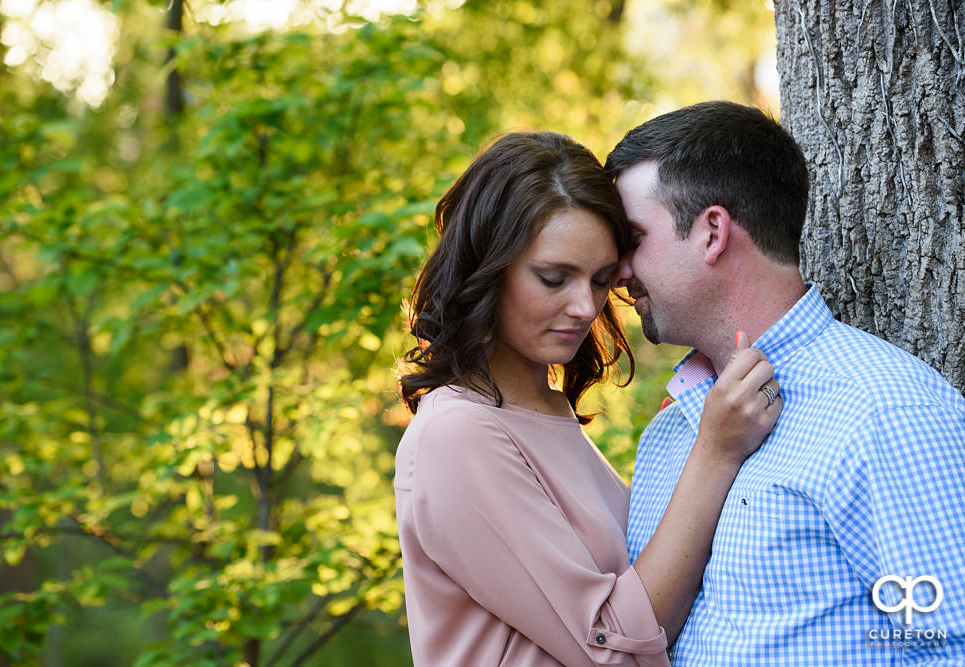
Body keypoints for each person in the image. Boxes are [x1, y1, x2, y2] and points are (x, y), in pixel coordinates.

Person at [394, 131, 782, 666]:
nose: (585, 306)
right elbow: (610, 648)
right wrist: (714, 453)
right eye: (554, 278)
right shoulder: (458, 433)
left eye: (600, 279)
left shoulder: (545, 409)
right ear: (484, 269)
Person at [606, 100, 965, 665]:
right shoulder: (667, 438)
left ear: (712, 232)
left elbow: (952, 643)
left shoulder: (887, 409)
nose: (619, 270)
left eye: (633, 239)